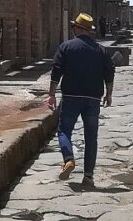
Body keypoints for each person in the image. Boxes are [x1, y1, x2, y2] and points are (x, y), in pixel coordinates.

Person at [47, 13, 115, 188]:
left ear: (77, 28)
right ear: (89, 30)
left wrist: (52, 94)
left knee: (64, 131)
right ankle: (88, 176)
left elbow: (56, 71)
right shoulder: (101, 50)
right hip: (93, 99)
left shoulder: (66, 47)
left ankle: (69, 159)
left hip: (71, 97)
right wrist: (108, 94)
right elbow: (109, 73)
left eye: (73, 27)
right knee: (91, 137)